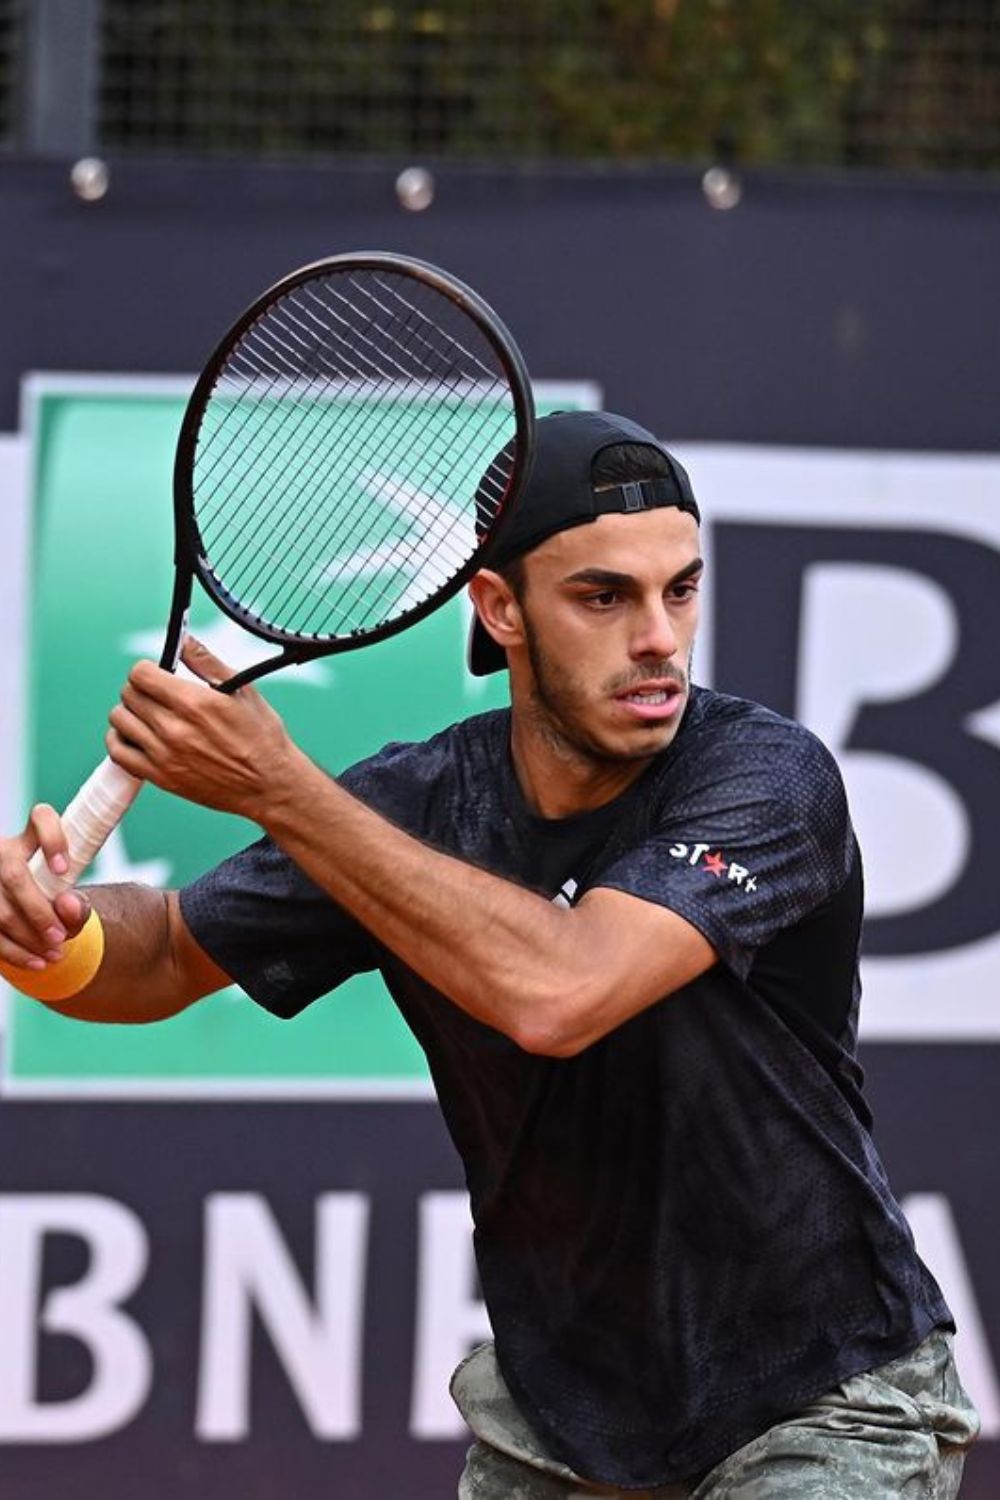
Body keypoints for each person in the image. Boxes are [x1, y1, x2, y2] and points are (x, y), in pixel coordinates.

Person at [0, 411, 980, 1497]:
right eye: (603, 597)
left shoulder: (766, 778)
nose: (658, 636)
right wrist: (50, 933)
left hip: (819, 1398)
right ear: (500, 608)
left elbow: (563, 992)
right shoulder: (415, 801)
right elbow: (168, 955)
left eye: (679, 590)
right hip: (563, 1423)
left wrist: (283, 788)